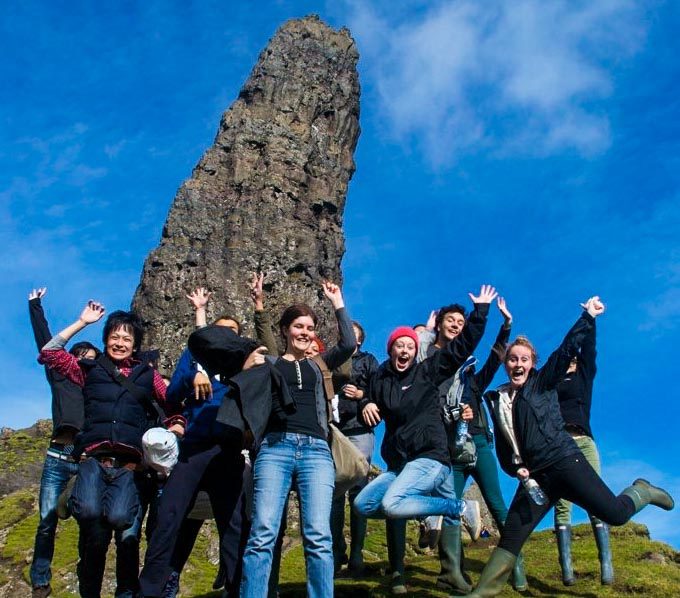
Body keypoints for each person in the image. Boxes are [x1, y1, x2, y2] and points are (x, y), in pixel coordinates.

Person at [464, 297, 675, 597]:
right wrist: (515, 469)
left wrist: (587, 316)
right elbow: (504, 448)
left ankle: (642, 490)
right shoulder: (496, 399)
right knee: (512, 535)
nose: (518, 364)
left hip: (564, 461)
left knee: (615, 514)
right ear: (506, 363)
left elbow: (566, 350)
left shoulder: (543, 382)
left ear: (533, 363)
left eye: (524, 359)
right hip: (536, 479)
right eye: (513, 359)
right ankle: (481, 593)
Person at [353, 284, 498, 594]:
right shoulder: (380, 379)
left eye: (409, 346)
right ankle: (449, 508)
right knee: (363, 504)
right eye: (399, 346)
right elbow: (359, 383)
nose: (404, 351)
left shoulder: (428, 371)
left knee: (392, 505)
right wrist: (365, 401)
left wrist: (481, 313)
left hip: (430, 455)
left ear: (415, 350)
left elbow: (462, 348)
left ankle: (455, 507)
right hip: (400, 462)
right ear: (391, 349)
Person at [38, 301, 185, 598]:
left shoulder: (147, 374)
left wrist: (177, 424)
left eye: (127, 339)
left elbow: (171, 401)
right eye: (115, 337)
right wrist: (82, 322)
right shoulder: (89, 369)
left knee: (121, 520)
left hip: (130, 467)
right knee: (91, 522)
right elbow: (50, 354)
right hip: (93, 459)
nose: (120, 343)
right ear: (106, 339)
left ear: (135, 345)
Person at [237, 281, 356, 598]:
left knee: (318, 535)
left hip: (317, 452)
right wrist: (259, 307)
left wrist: (338, 302)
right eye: (299, 326)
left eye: (310, 327)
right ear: (286, 331)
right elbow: (258, 345)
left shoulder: (320, 363)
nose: (305, 332)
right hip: (275, 449)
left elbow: (348, 343)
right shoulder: (272, 363)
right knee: (263, 533)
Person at [139, 289, 251, 598]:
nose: (227, 335)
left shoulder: (243, 363)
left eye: (234, 332)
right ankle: (149, 591)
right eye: (221, 330)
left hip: (227, 450)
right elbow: (173, 396)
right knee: (168, 518)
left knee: (233, 525)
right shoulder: (193, 358)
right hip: (194, 449)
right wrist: (192, 376)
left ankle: (236, 589)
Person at [417, 298, 527, 593]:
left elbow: (494, 358)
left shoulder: (471, 379)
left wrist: (506, 327)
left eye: (460, 323)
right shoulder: (431, 364)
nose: (455, 325)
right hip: (449, 448)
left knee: (497, 505)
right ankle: (452, 572)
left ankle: (516, 568)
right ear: (440, 323)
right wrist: (426, 332)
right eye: (450, 320)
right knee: (450, 507)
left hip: (478, 444)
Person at [28, 288, 99, 598]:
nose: (87, 364)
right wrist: (35, 306)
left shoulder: (96, 385)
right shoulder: (60, 374)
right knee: (46, 522)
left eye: (93, 361)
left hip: (84, 458)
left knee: (89, 522)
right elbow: (46, 343)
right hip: (59, 454)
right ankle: (40, 582)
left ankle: (87, 582)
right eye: (84, 359)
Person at [553, 308, 612, 585]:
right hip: (561, 445)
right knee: (562, 503)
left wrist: (590, 320)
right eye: (569, 361)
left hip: (584, 442)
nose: (571, 363)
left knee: (596, 498)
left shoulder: (583, 378)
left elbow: (589, 352)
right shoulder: (551, 384)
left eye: (574, 361)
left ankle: (606, 564)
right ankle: (566, 568)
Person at [330, 320, 379, 576]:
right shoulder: (330, 359)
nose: (348, 337)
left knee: (358, 491)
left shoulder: (369, 361)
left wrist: (363, 396)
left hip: (360, 429)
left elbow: (380, 390)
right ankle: (337, 553)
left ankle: (357, 553)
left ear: (359, 340)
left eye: (353, 334)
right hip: (335, 430)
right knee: (335, 492)